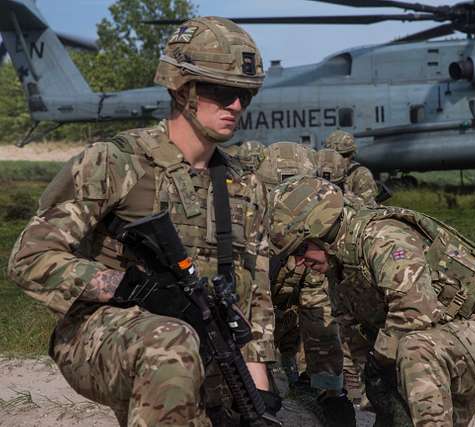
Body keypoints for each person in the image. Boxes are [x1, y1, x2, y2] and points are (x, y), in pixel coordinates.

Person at [8, 17, 277, 426]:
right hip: (103, 333)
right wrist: (130, 287)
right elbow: (29, 258)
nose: (236, 106)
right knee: (170, 347)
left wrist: (256, 393)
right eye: (221, 92)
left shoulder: (244, 184)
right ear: (181, 88)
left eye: (246, 95)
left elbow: (254, 302)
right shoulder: (116, 161)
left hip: (204, 341)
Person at [268, 176, 475, 427]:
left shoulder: (382, 238)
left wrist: (380, 361)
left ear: (321, 232)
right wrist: (356, 390)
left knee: (415, 349)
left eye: (301, 249)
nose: (300, 262)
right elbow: (353, 339)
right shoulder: (341, 266)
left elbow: (416, 313)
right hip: (445, 351)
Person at [257, 142, 355, 426]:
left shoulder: (313, 241)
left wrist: (330, 390)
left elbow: (318, 315)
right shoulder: (243, 233)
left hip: (283, 320)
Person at [324, 130, 378, 205]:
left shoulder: (361, 174)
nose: (339, 160)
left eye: (344, 155)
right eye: (334, 156)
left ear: (352, 155)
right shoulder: (322, 172)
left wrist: (347, 198)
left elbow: (369, 206)